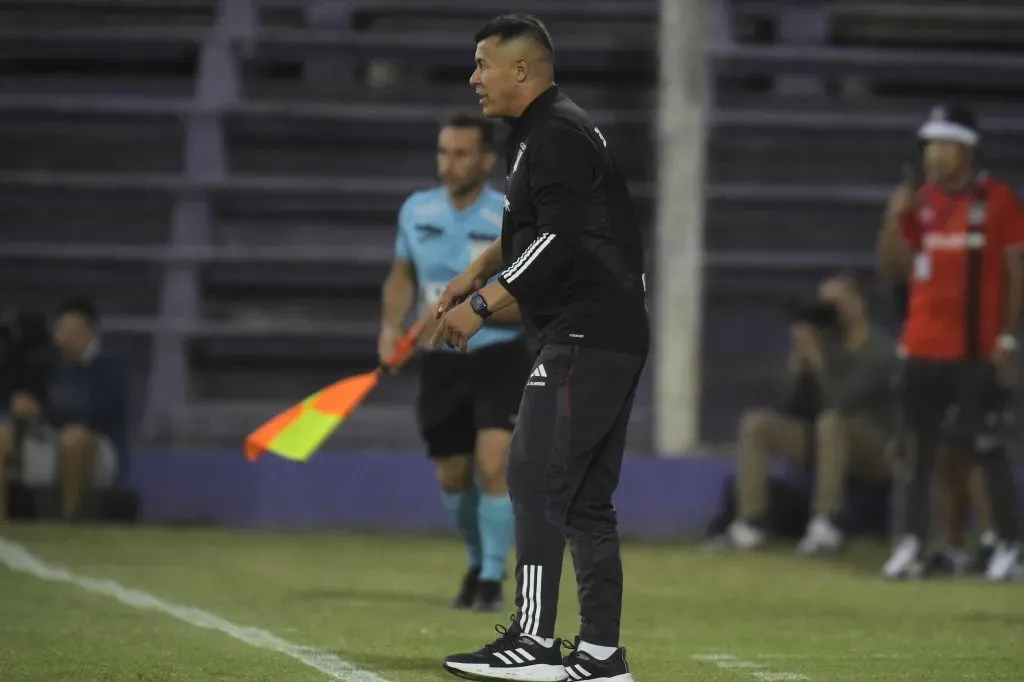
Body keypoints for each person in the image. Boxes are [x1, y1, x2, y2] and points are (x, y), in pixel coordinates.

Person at [432, 14, 647, 682]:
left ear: (521, 70)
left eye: (482, 65)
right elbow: (538, 230)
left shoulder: (553, 133)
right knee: (583, 496)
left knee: (531, 473)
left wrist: (480, 304)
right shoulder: (548, 131)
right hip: (608, 331)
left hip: (585, 329)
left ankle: (532, 640)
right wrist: (475, 269)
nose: (474, 78)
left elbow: (559, 244)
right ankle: (601, 654)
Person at [378, 112, 531, 611]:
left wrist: (472, 314)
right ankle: (476, 559)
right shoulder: (416, 210)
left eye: (462, 153)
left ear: (487, 159)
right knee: (452, 476)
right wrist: (390, 328)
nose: (449, 163)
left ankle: (490, 578)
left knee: (493, 463)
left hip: (500, 357)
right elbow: (401, 275)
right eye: (444, 152)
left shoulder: (508, 218)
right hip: (440, 365)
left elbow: (529, 298)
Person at [877, 103, 1024, 581]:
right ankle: (911, 542)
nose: (932, 155)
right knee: (916, 450)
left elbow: (1015, 271)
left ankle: (1009, 544)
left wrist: (1006, 340)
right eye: (929, 145)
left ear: (964, 149)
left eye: (941, 145)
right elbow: (894, 270)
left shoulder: (997, 201)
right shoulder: (919, 201)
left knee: (988, 448)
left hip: (974, 349)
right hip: (921, 346)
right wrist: (894, 220)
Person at [725, 274, 898, 555]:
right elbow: (794, 405)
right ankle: (751, 522)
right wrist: (798, 364)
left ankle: (825, 523)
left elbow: (842, 401)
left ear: (858, 305)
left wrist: (817, 363)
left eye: (836, 303)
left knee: (831, 423)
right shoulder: (826, 342)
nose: (828, 311)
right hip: (826, 437)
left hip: (876, 446)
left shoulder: (880, 350)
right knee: (756, 423)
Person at [0, 298, 127, 521]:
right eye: (60, 329)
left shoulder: (111, 368)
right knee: (2, 434)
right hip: (49, 439)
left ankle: (70, 520)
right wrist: (22, 406)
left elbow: (95, 415)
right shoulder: (48, 365)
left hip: (98, 449)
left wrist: (41, 412)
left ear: (92, 332)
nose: (63, 337)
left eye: (72, 330)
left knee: (74, 437)